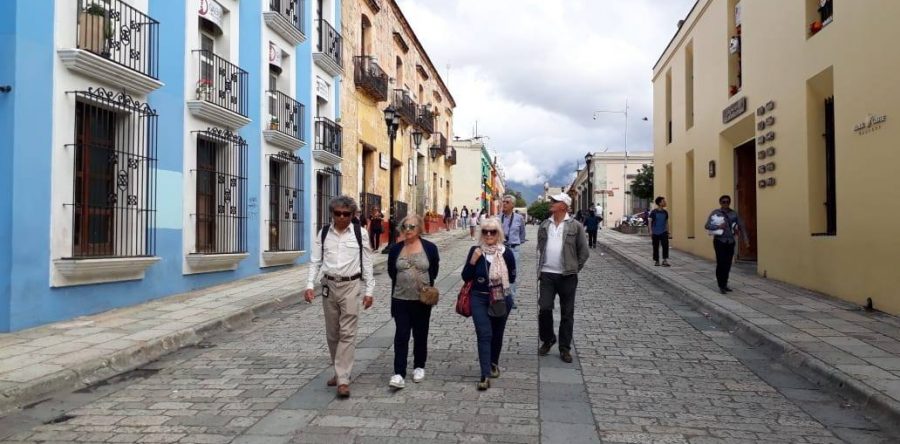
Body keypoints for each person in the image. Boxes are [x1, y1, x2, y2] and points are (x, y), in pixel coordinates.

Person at [305, 195, 375, 398]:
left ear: (353, 215)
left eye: (346, 214)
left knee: (347, 332)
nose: (342, 217)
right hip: (328, 285)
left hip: (351, 285)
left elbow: (368, 262)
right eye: (338, 213)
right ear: (332, 214)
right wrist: (309, 285)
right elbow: (315, 261)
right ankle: (339, 370)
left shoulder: (360, 233)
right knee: (332, 333)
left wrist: (369, 290)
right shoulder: (324, 233)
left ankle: (343, 379)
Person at [461, 217, 516, 390]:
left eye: (493, 231)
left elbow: (513, 277)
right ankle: (485, 374)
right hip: (479, 297)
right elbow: (465, 276)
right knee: (484, 334)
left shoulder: (506, 252)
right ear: (481, 233)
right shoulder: (475, 251)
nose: (489, 234)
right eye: (485, 231)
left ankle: (493, 362)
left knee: (497, 333)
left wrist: (499, 276)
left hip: (501, 298)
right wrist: (473, 260)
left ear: (499, 234)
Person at [386, 215, 439, 389]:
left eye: (412, 227)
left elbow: (434, 270)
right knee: (401, 335)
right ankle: (399, 372)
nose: (408, 230)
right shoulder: (395, 249)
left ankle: (419, 366)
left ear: (420, 229)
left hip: (421, 300)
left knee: (420, 333)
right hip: (400, 299)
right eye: (405, 226)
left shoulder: (430, 248)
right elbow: (391, 272)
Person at [536, 193, 589, 364]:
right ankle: (548, 338)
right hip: (547, 273)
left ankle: (564, 347)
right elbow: (541, 247)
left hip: (567, 276)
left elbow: (584, 252)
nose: (551, 203)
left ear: (564, 206)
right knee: (544, 308)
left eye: (555, 201)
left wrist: (574, 268)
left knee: (567, 313)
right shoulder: (545, 225)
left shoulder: (576, 226)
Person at [704, 195, 749, 294]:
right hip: (719, 241)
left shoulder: (734, 214)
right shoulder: (716, 213)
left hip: (730, 241)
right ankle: (721, 285)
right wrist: (718, 226)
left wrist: (745, 239)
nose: (726, 203)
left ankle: (725, 283)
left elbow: (741, 225)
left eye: (727, 202)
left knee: (728, 264)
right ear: (720, 203)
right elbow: (707, 226)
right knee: (721, 263)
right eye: (723, 202)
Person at [500, 195, 526, 309]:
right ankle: (499, 298)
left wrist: (516, 242)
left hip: (513, 248)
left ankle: (511, 299)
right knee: (499, 273)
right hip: (500, 249)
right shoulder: (497, 218)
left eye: (507, 202)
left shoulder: (519, 218)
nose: (504, 204)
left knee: (512, 274)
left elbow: (522, 234)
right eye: (503, 201)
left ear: (513, 205)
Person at [649, 197, 671, 267]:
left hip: (663, 232)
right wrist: (650, 231)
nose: (665, 202)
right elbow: (650, 222)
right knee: (655, 247)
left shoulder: (665, 212)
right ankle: (657, 261)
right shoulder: (653, 212)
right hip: (655, 232)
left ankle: (664, 260)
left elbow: (666, 222)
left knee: (665, 246)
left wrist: (668, 231)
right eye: (663, 201)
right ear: (659, 203)